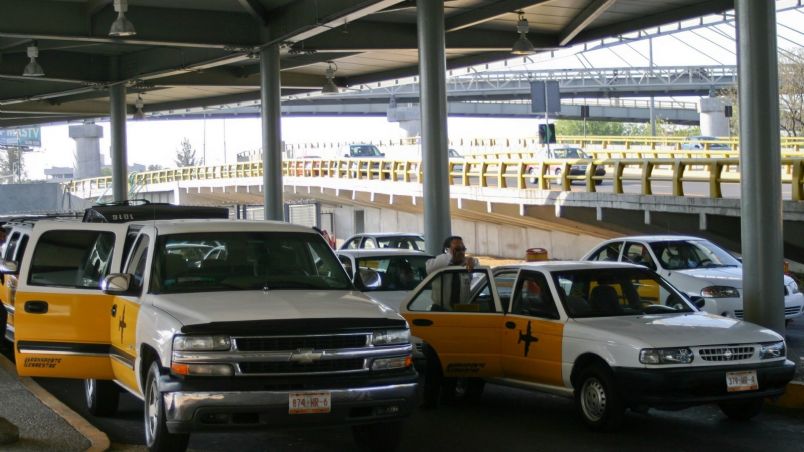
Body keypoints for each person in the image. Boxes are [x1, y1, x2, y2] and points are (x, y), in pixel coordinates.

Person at [426, 236, 478, 309]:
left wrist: (472, 260)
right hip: (441, 310)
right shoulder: (439, 264)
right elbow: (429, 268)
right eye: (457, 249)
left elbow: (476, 263)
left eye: (463, 249)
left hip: (462, 309)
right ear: (447, 250)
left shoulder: (465, 265)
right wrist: (450, 254)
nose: (461, 252)